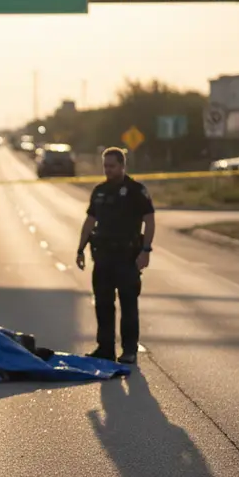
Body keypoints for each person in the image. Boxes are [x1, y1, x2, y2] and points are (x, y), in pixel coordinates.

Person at [75, 146, 156, 364]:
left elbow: (149, 220)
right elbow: (90, 221)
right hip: (103, 257)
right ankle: (105, 348)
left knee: (128, 304)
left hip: (127, 257)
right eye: (105, 166)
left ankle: (129, 350)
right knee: (103, 304)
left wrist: (146, 250)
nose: (108, 170)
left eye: (112, 166)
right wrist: (80, 248)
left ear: (122, 166)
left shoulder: (136, 191)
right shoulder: (100, 191)